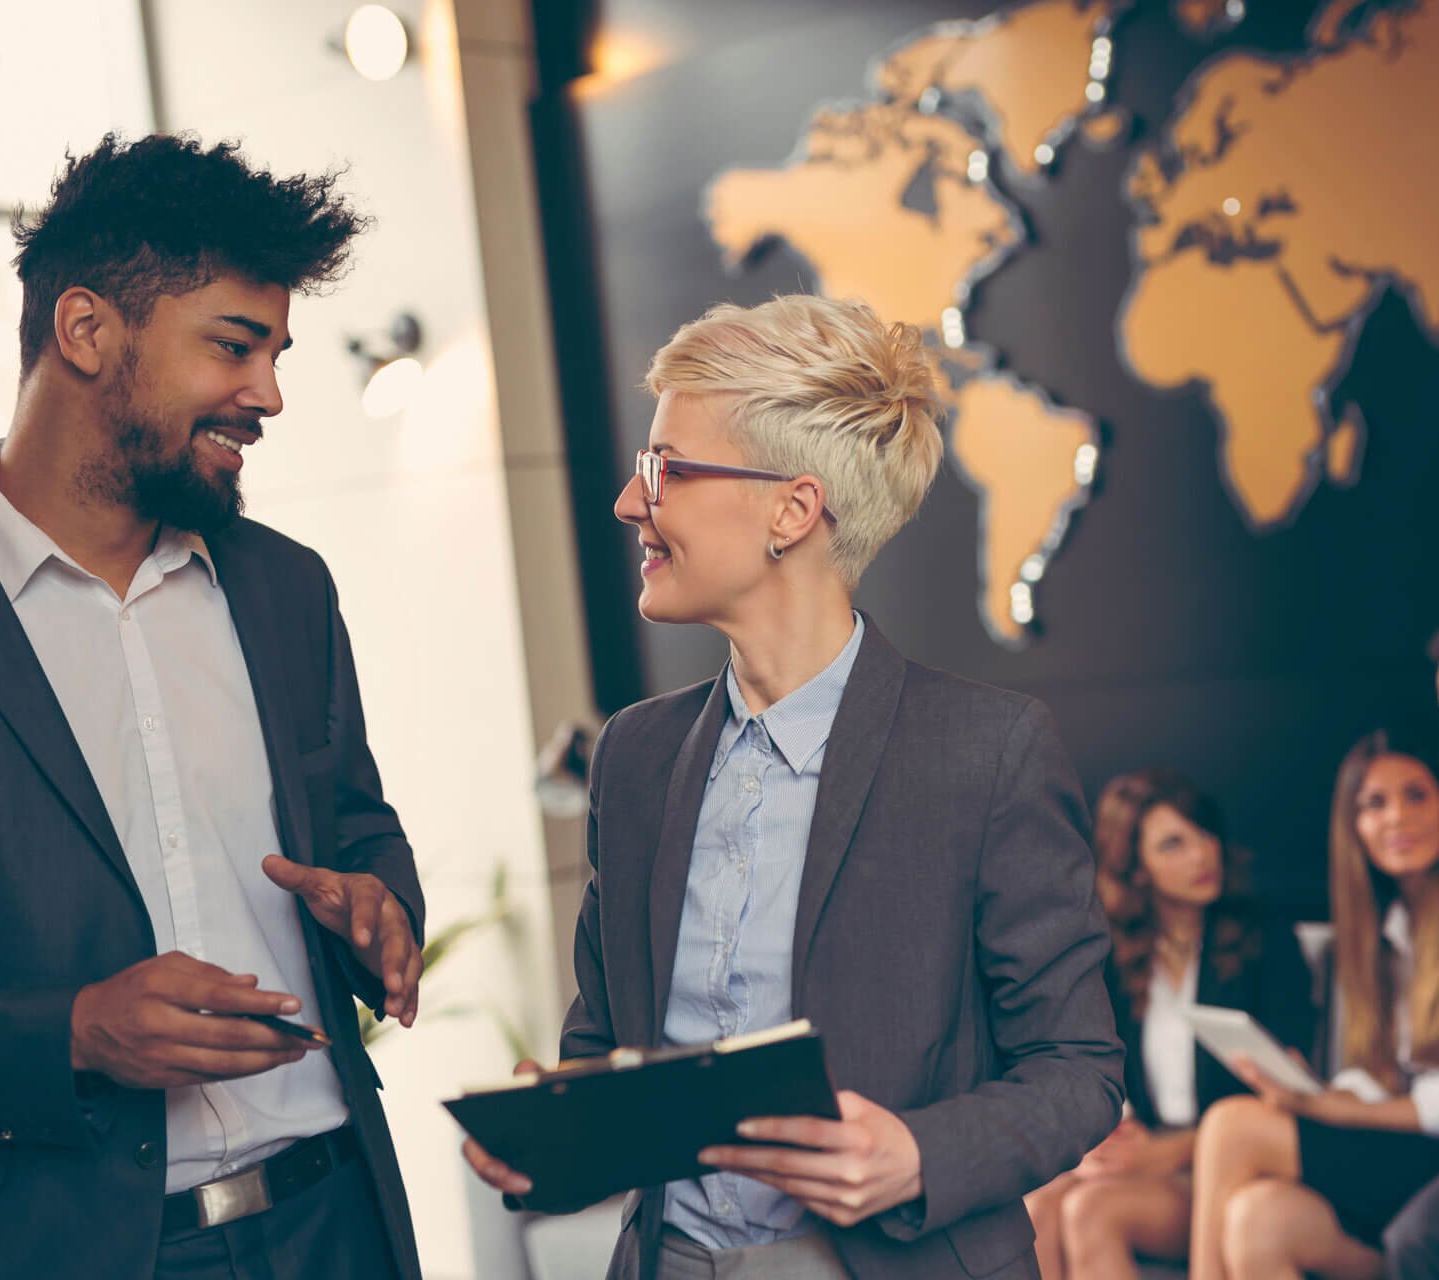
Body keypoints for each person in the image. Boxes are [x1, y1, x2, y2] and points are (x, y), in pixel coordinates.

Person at [466, 294, 1124, 1278]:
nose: (629, 500)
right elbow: (606, 1045)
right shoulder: (636, 757)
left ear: (793, 508)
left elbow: (1080, 1070)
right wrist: (555, 1135)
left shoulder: (986, 750)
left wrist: (916, 1153)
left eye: (669, 467)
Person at [0, 134, 426, 1280]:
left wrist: (382, 905)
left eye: (276, 351)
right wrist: (74, 1030)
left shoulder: (287, 585)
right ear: (87, 331)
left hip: (336, 1222)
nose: (271, 394)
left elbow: (360, 827)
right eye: (235, 347)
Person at [1023, 770, 1315, 1278]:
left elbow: (1295, 1091)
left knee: (1091, 1211)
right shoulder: (1114, 958)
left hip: (1228, 1168)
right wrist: (1108, 1137)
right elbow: (1086, 1064)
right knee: (1039, 1204)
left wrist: (1163, 1153)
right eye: (1174, 844)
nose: (1202, 855)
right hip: (1152, 1161)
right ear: (1136, 868)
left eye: (1204, 834)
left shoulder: (1266, 943)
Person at [1188, 730, 1439, 1280]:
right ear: (1354, 829)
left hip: (1429, 1161)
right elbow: (1387, 1073)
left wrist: (1336, 1109)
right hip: (1400, 1157)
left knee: (1232, 1125)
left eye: (1416, 794)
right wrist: (1327, 1092)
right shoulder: (1383, 933)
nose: (1397, 816)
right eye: (1374, 804)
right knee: (1258, 1219)